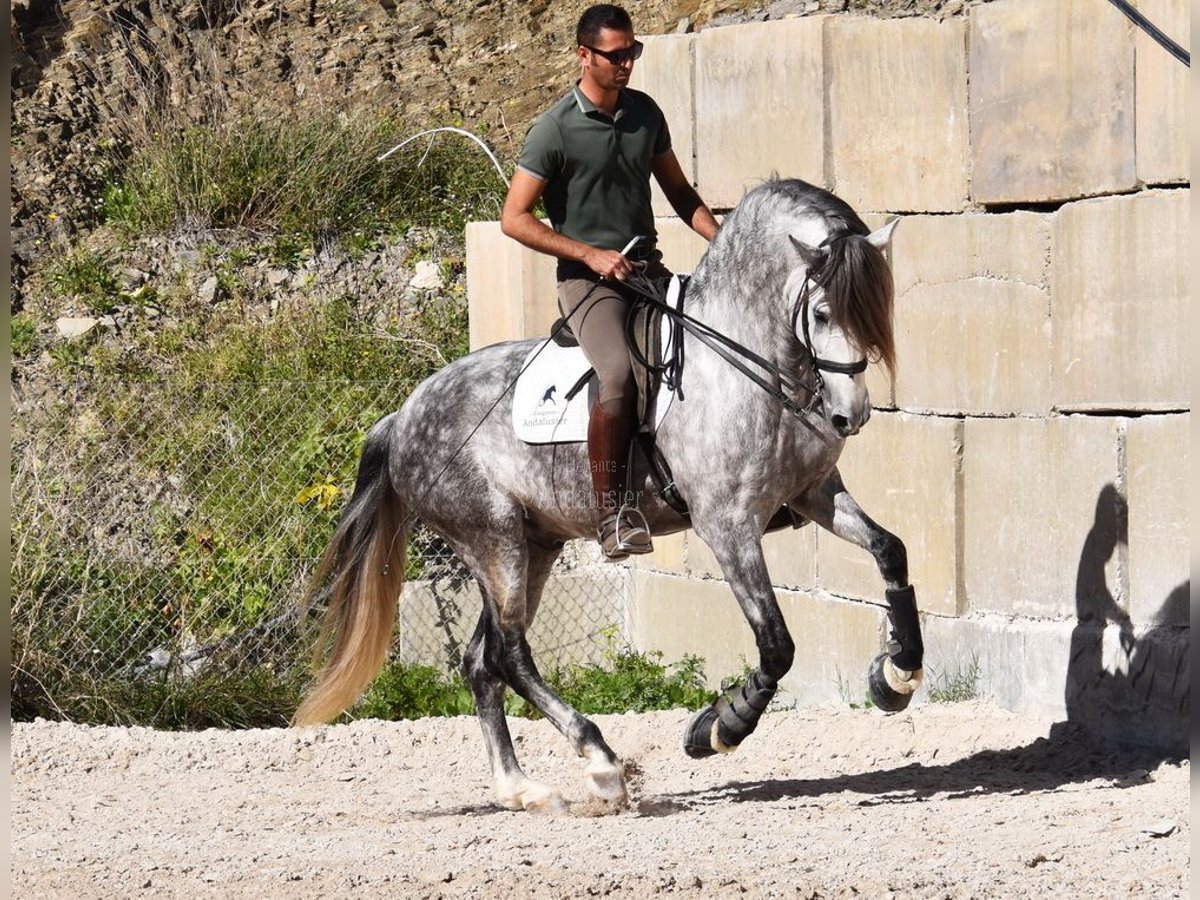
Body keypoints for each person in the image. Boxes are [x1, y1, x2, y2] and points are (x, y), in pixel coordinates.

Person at [500, 3, 719, 561]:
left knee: (714, 349)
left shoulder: (645, 113)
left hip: (648, 271)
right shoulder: (554, 129)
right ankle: (613, 516)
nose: (627, 64)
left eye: (633, 53)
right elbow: (514, 218)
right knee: (618, 376)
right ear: (584, 55)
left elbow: (679, 193)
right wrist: (590, 255)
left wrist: (724, 239)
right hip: (588, 283)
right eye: (616, 55)